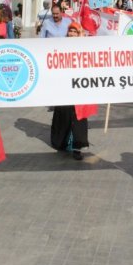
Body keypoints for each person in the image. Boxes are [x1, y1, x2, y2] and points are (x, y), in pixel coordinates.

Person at [51, 22, 89, 161]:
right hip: (65, 88)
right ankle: (63, 142)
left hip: (80, 88)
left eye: (74, 31)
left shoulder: (85, 47)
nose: (71, 34)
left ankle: (77, 147)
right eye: (70, 31)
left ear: (79, 33)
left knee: (78, 118)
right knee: (64, 115)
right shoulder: (62, 46)